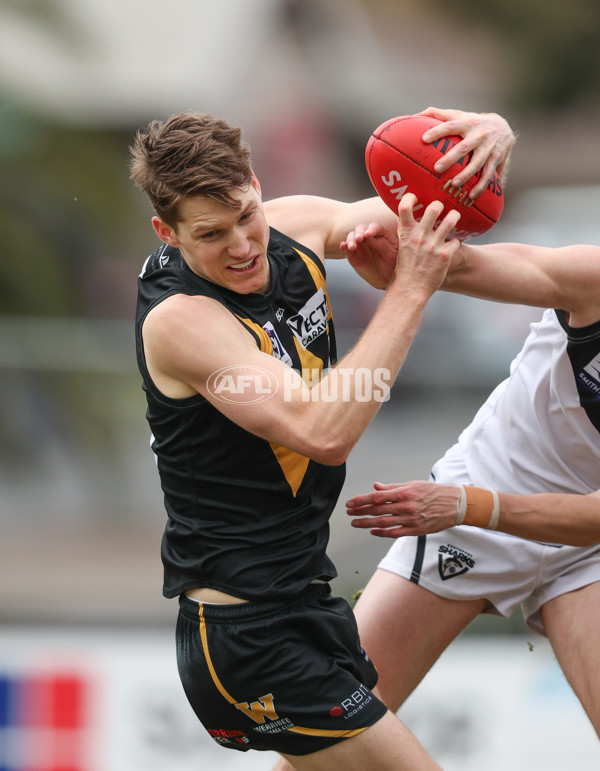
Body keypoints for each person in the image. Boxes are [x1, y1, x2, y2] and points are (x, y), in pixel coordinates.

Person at [129, 106, 514, 770]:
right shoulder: (181, 320)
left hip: (304, 602)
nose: (244, 245)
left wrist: (488, 139)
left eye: (247, 214)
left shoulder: (292, 225)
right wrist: (410, 289)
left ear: (254, 181)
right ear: (168, 232)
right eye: (211, 233)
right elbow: (322, 430)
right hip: (244, 636)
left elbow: (428, 211)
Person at [341, 216, 600, 736]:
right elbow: (467, 265)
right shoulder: (593, 278)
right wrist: (402, 263)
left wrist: (466, 505)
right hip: (489, 481)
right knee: (334, 725)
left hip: (576, 542)